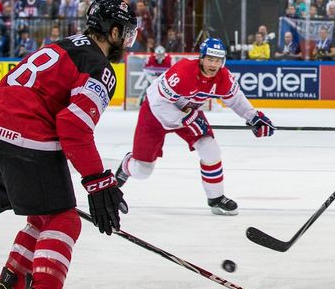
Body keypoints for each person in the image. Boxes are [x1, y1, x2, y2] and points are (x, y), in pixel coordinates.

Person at [0, 0, 137, 289]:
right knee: (64, 219)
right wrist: (98, 181)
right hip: (21, 133)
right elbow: (73, 125)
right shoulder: (98, 66)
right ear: (114, 31)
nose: (128, 42)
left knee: (43, 217)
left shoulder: (62, 46)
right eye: (127, 34)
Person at [115, 37, 276, 216]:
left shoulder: (223, 77)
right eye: (210, 59)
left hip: (187, 113)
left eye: (218, 60)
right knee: (142, 171)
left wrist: (254, 118)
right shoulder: (183, 72)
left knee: (210, 148)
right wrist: (188, 118)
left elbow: (236, 100)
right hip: (155, 113)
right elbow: (160, 104)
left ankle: (216, 198)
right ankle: (127, 164)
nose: (213, 65)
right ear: (201, 58)